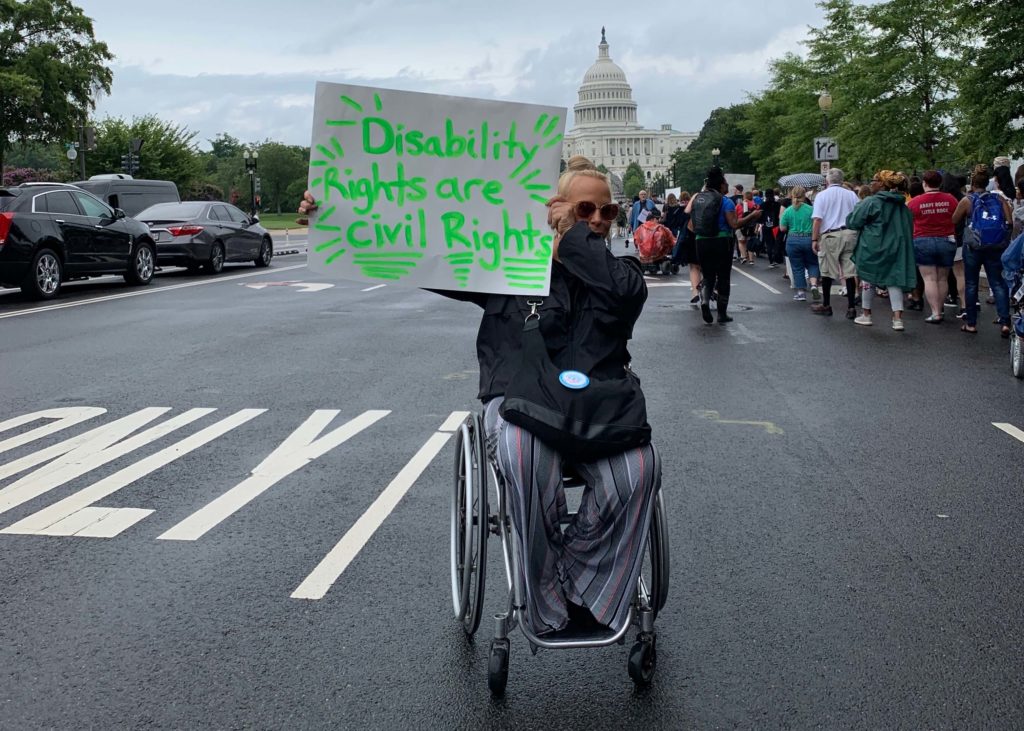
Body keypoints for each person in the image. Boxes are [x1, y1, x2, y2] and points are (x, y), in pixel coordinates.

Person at [301, 156, 658, 636]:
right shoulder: (506, 264)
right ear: (551, 208)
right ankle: (546, 595)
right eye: (584, 209)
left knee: (640, 471)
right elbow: (420, 253)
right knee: (524, 454)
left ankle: (579, 580)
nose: (596, 220)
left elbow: (620, 294)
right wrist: (336, 219)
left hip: (598, 408)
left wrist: (573, 237)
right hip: (522, 402)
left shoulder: (622, 273)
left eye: (608, 212)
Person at [685, 166, 762, 324]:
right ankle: (722, 314)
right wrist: (753, 216)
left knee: (707, 276)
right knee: (724, 277)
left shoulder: (698, 199)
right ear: (721, 186)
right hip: (722, 241)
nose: (728, 187)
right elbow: (734, 224)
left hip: (701, 241)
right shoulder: (726, 201)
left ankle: (705, 301)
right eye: (726, 184)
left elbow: (691, 226)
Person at [847, 170, 916, 331]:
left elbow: (854, 221)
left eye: (874, 180)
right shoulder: (902, 204)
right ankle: (897, 318)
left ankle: (866, 314)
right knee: (894, 281)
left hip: (872, 246)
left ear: (882, 184)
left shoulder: (871, 202)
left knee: (868, 279)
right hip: (896, 247)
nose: (871, 183)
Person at [952, 166, 1012, 336]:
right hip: (995, 247)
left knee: (971, 283)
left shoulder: (967, 200)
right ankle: (1005, 322)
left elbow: (954, 219)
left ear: (972, 183)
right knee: (998, 283)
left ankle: (971, 323)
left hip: (973, 246)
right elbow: (1009, 222)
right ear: (988, 183)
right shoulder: (999, 199)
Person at [908, 170, 959, 322]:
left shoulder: (915, 202)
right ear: (940, 183)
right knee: (942, 278)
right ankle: (941, 308)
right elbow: (957, 216)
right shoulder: (950, 199)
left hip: (923, 240)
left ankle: (935, 312)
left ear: (924, 183)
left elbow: (909, 221)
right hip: (946, 240)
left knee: (929, 279)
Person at [811, 168, 860, 318]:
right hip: (849, 233)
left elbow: (818, 219)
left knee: (827, 272)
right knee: (849, 272)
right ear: (841, 180)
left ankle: (827, 304)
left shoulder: (822, 196)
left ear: (827, 180)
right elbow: (858, 213)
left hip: (830, 235)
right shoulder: (851, 195)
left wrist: (814, 239)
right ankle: (851, 306)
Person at [779, 186, 819, 303]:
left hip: (792, 240)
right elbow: (817, 223)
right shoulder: (811, 209)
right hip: (808, 239)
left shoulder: (788, 211)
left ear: (791, 195)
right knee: (813, 263)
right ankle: (813, 285)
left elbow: (782, 228)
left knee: (797, 267)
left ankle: (801, 292)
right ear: (804, 195)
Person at [633, 208, 676, 273]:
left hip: (644, 254)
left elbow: (635, 240)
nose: (659, 220)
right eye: (658, 219)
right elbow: (671, 239)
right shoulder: (660, 228)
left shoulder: (640, 227)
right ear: (653, 219)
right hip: (657, 253)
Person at [760, 188, 784, 269]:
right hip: (776, 226)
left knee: (768, 243)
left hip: (766, 226)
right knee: (776, 242)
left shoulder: (763, 205)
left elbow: (760, 216)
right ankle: (777, 257)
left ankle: (771, 260)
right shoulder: (777, 204)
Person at [736, 190, 761, 265]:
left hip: (740, 225)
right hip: (751, 225)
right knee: (750, 242)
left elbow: (735, 214)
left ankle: (743, 256)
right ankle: (751, 260)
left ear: (744, 196)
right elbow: (758, 216)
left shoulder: (739, 205)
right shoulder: (755, 205)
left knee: (741, 241)